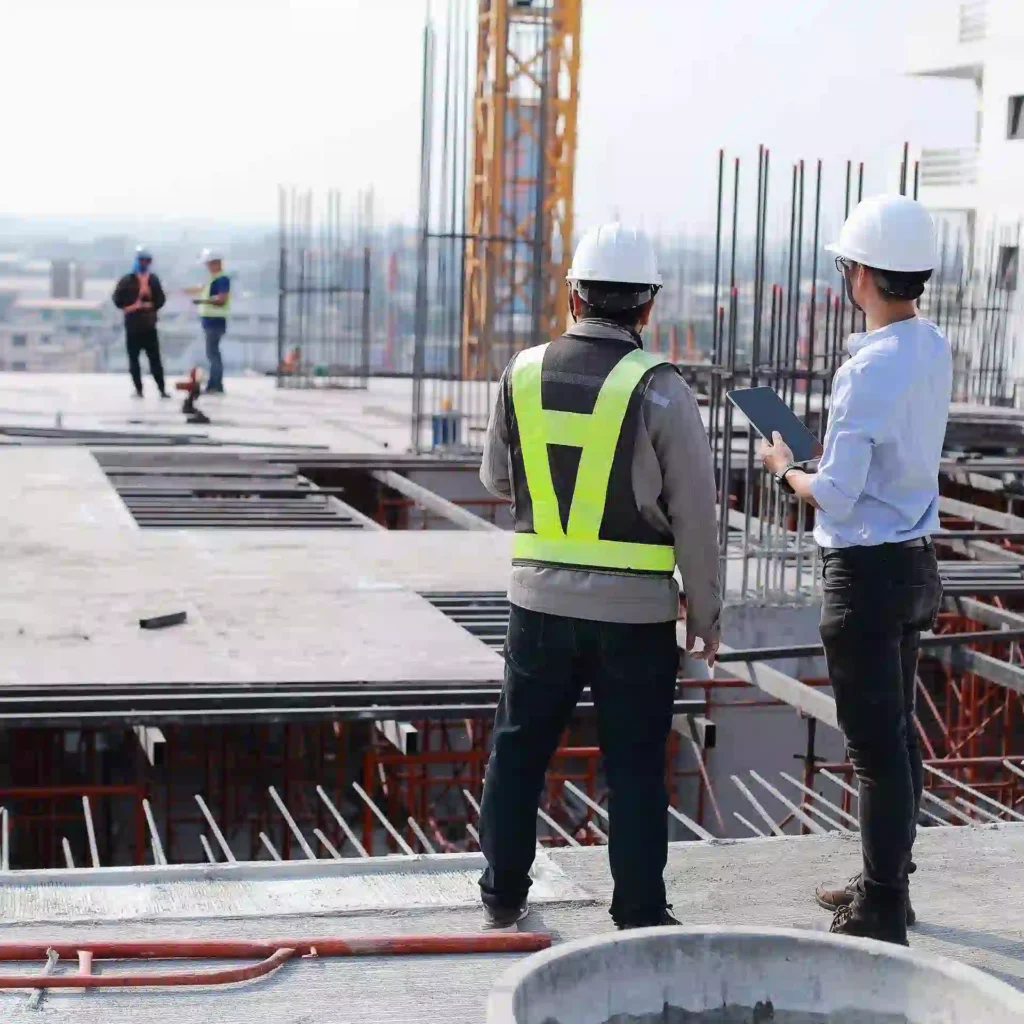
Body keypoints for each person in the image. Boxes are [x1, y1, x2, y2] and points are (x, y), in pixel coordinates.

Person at [477, 223, 722, 930]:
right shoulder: (663, 390)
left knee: (518, 750)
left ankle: (502, 893)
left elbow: (497, 476)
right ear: (647, 306)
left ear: (575, 295)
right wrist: (704, 616)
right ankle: (640, 912)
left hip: (538, 608)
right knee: (637, 768)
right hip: (637, 620)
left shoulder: (521, 372)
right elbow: (698, 520)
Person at [759, 195, 950, 946]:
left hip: (864, 574)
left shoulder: (866, 369)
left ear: (860, 272)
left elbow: (834, 493)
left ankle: (880, 908)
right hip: (914, 565)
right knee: (898, 739)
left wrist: (785, 469)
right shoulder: (931, 346)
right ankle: (886, 887)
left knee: (876, 750)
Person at [112, 246, 167, 398]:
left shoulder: (153, 280)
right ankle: (138, 389)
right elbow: (117, 300)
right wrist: (131, 306)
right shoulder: (127, 280)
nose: (144, 264)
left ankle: (161, 389)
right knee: (134, 360)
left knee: (154, 359)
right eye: (142, 260)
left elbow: (161, 299)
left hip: (149, 326)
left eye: (147, 261)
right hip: (132, 326)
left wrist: (151, 304)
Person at [186, 248, 231, 394]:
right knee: (212, 353)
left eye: (208, 264)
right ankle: (215, 384)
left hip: (215, 321)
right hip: (210, 321)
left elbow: (222, 299)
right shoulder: (213, 279)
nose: (207, 267)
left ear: (215, 263)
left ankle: (215, 385)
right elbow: (201, 289)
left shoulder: (222, 279)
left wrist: (201, 301)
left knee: (213, 354)